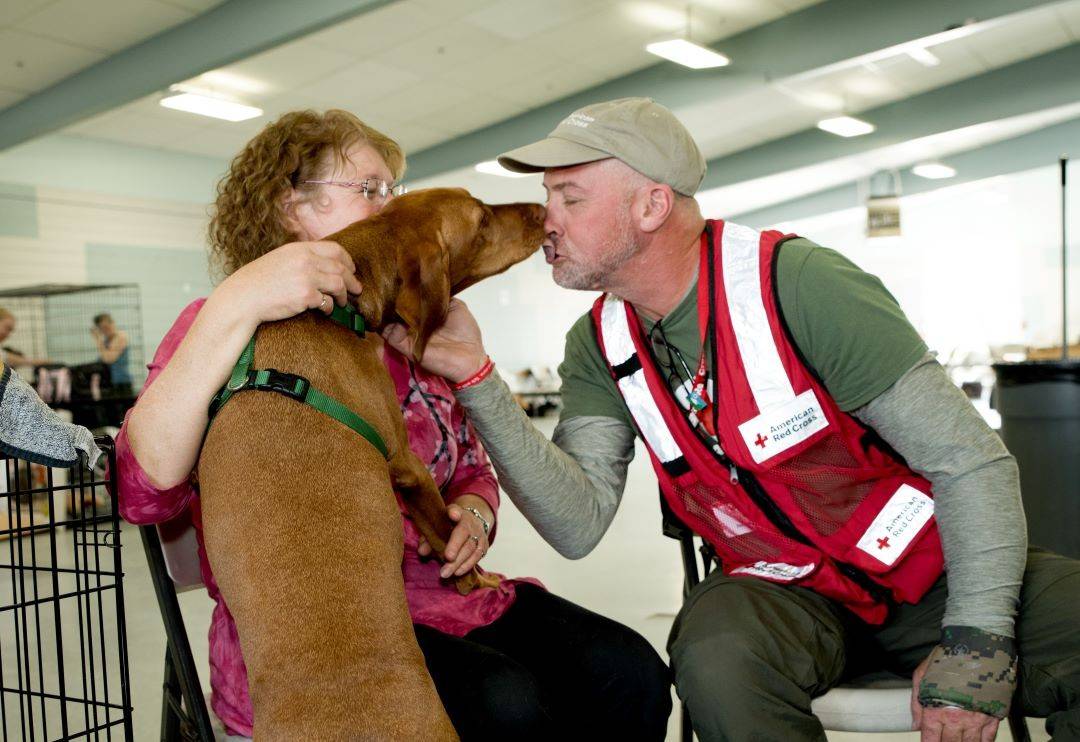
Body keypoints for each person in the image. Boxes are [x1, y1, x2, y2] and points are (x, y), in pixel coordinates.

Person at [382, 97, 1080, 742]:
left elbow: (970, 461)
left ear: (653, 205)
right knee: (715, 656)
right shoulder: (598, 344)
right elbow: (576, 523)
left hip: (931, 571)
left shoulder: (801, 285)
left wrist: (976, 643)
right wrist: (478, 379)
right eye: (548, 197)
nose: (546, 220)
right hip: (777, 591)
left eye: (569, 196)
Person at [116, 109, 671, 740]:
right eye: (370, 190)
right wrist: (236, 302)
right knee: (505, 703)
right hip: (320, 627)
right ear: (291, 209)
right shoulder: (221, 325)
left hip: (452, 596)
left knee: (630, 673)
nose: (390, 209)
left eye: (394, 191)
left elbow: (469, 468)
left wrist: (475, 512)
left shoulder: (407, 327)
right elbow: (141, 493)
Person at [90, 313, 132, 395]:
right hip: (108, 382)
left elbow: (108, 359)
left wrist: (98, 340)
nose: (106, 330)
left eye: (107, 326)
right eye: (103, 328)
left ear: (112, 323)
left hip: (121, 382)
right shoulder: (107, 340)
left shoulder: (121, 337)